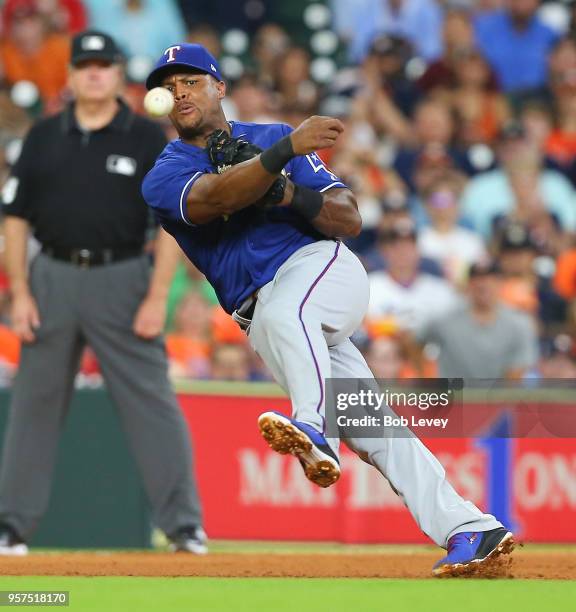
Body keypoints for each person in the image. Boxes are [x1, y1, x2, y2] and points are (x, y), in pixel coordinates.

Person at [142, 42, 514, 576]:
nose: (181, 91)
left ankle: (312, 428)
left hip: (321, 270)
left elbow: (348, 217)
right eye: (170, 85)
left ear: (219, 86)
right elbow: (216, 199)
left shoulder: (270, 137)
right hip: (263, 316)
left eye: (192, 80)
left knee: (287, 313)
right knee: (374, 428)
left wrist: (289, 192)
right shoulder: (165, 173)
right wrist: (280, 157)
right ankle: (470, 528)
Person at [0, 31, 205, 555]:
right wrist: (20, 292)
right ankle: (11, 527)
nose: (94, 73)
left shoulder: (144, 138)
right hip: (52, 278)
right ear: (70, 75)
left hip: (124, 278)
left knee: (151, 402)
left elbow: (170, 224)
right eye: (85, 65)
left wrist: (159, 296)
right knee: (33, 405)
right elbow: (16, 220)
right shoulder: (43, 136)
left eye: (103, 64)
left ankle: (184, 527)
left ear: (119, 75)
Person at [417, 261, 539, 379]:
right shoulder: (446, 319)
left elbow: (518, 369)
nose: (483, 284)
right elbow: (415, 341)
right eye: (478, 279)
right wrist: (424, 376)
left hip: (498, 397)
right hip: (454, 396)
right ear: (469, 284)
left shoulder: (518, 323)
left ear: (500, 283)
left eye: (491, 279)